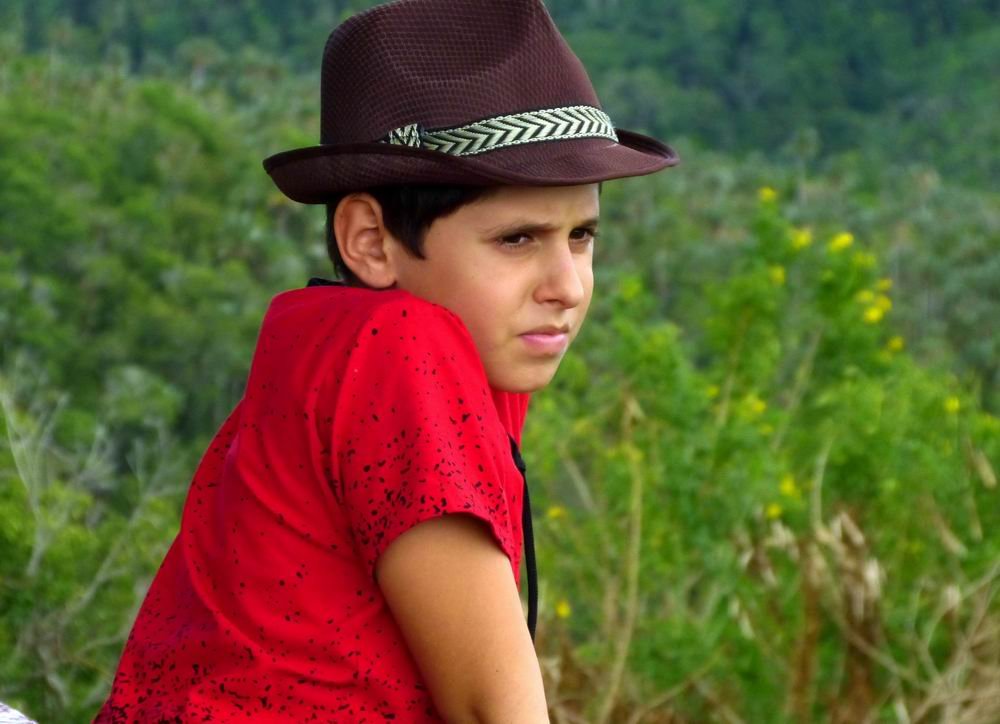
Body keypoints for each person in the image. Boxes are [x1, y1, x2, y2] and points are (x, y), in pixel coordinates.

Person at [94, 0, 678, 721]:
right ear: (370, 241)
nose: (568, 286)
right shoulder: (400, 348)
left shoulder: (376, 351)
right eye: (517, 240)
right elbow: (493, 709)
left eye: (582, 236)